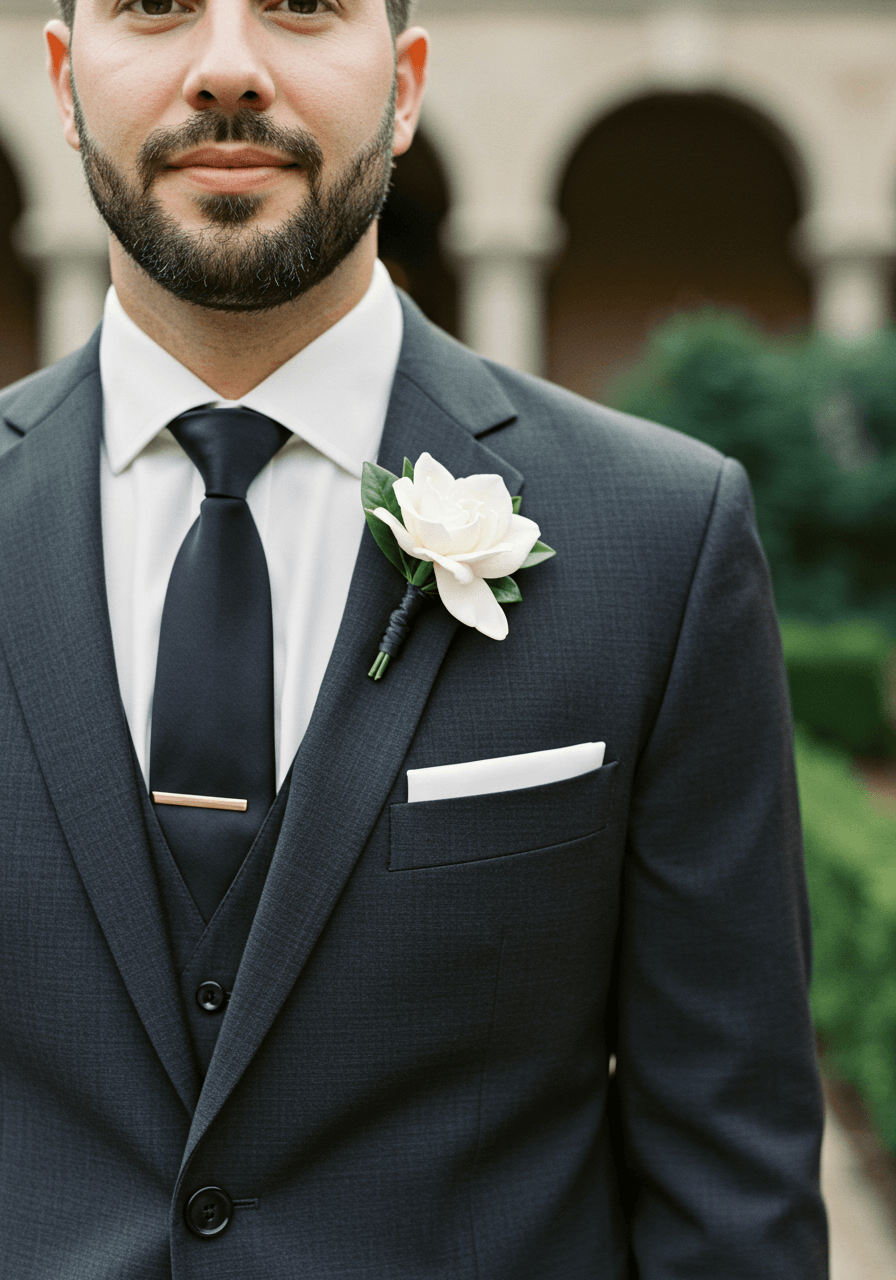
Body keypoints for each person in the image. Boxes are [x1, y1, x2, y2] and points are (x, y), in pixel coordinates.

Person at [0, 0, 828, 1275]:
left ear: (404, 82)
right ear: (63, 81)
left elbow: (730, 1175)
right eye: (153, 6)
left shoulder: (661, 537)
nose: (227, 67)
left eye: (303, 5)